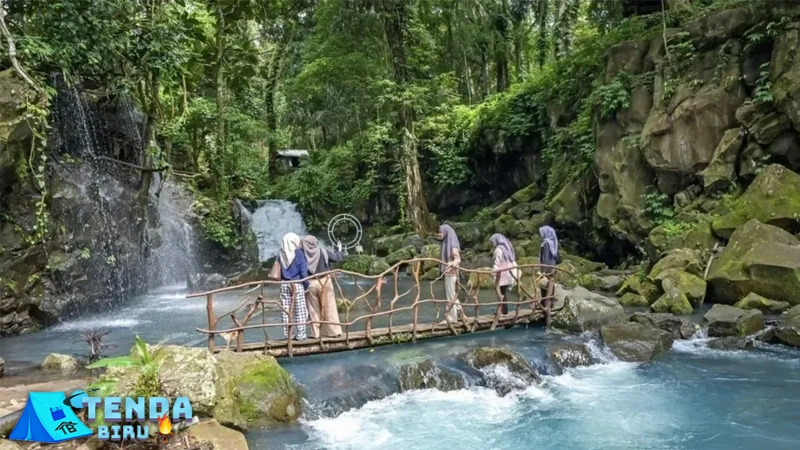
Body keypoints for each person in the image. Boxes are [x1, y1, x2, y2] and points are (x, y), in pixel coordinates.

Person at [301, 235, 344, 339]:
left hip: (310, 283)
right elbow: (337, 258)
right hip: (325, 282)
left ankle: (316, 333)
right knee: (329, 307)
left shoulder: (302, 255)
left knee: (313, 309)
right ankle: (333, 332)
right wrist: (339, 249)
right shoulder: (323, 252)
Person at [279, 232, 310, 340]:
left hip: (283, 284)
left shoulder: (281, 253)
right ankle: (301, 334)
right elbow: (303, 271)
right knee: (300, 309)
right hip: (297, 283)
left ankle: (288, 335)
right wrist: (306, 284)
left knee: (285, 310)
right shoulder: (298, 252)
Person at [437, 224, 463, 324]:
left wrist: (449, 264)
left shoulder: (452, 246)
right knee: (452, 294)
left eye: (441, 232)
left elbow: (458, 259)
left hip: (451, 273)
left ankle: (452, 317)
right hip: (449, 273)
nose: (439, 234)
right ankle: (461, 314)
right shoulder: (446, 243)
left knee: (450, 295)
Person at [490, 233, 517, 315]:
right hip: (507, 273)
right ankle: (504, 310)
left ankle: (503, 311)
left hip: (501, 274)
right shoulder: (507, 247)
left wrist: (493, 272)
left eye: (493, 242)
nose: (492, 244)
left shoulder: (499, 249)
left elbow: (497, 262)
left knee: (500, 293)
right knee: (503, 292)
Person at [538, 226, 560, 309]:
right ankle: (550, 303)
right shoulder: (553, 243)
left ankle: (545, 304)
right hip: (552, 266)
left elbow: (545, 258)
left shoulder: (546, 244)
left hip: (547, 268)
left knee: (544, 285)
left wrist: (543, 271)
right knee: (550, 284)